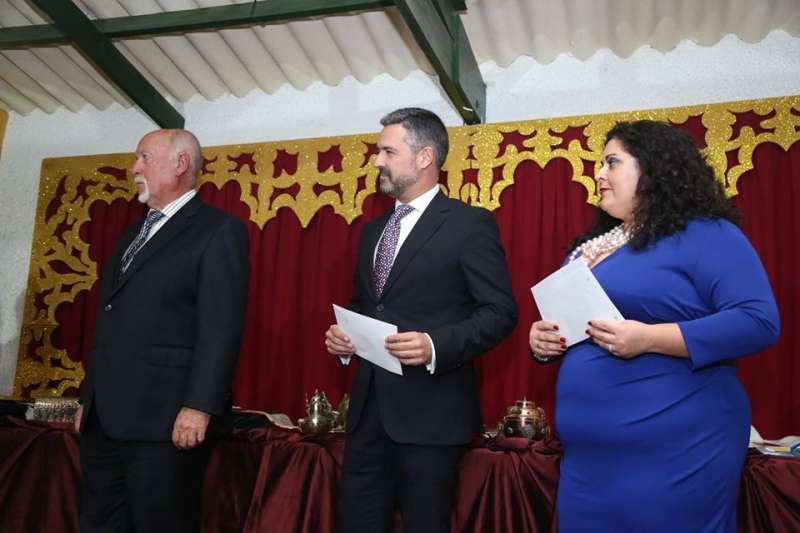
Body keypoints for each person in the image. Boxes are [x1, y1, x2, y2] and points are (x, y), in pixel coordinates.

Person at [529, 120, 780, 532]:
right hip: (588, 460)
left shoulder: (706, 234)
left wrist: (649, 338)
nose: (599, 174)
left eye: (612, 162)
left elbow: (757, 320)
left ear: (652, 168)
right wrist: (543, 340)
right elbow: (575, 329)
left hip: (679, 449)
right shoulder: (587, 249)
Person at [325, 107, 517, 532]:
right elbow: (366, 305)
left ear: (425, 156)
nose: (377, 161)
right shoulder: (372, 231)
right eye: (378, 151)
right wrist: (344, 339)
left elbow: (500, 312)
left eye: (388, 152)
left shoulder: (469, 224)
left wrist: (434, 345)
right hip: (366, 417)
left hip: (432, 419)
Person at [74, 129, 250, 532]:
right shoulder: (131, 233)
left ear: (180, 164)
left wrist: (200, 405)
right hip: (104, 419)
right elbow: (111, 318)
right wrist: (89, 396)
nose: (133, 168)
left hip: (165, 422)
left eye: (144, 158)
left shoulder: (218, 230)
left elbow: (220, 327)